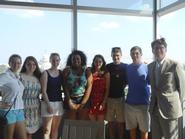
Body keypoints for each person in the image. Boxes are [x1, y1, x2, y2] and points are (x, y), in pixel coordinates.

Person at [148, 38, 185, 139]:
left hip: (169, 109)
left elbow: (182, 88)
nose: (158, 50)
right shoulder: (150, 66)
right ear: (152, 50)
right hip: (154, 108)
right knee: (156, 136)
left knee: (171, 137)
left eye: (161, 47)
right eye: (156, 48)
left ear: (166, 49)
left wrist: (175, 104)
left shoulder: (175, 65)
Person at [125, 46, 150, 139]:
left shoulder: (147, 68)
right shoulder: (127, 68)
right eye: (132, 53)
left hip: (143, 104)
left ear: (141, 54)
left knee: (144, 131)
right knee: (132, 130)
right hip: (129, 104)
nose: (134, 55)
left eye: (137, 53)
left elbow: (152, 83)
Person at [0, 54, 27, 139]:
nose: (16, 65)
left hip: (19, 111)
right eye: (13, 62)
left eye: (18, 63)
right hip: (9, 111)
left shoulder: (18, 77)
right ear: (9, 63)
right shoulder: (5, 76)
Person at [63, 50, 93, 120]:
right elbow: (65, 87)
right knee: (71, 123)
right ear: (71, 60)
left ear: (81, 60)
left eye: (78, 59)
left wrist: (83, 103)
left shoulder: (87, 71)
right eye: (73, 59)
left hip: (83, 99)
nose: (76, 60)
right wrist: (69, 102)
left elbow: (89, 88)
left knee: (82, 123)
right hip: (70, 99)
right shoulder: (67, 71)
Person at [40, 53, 64, 139]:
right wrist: (48, 105)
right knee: (46, 130)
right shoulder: (45, 73)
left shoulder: (61, 73)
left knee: (55, 129)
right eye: (53, 60)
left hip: (58, 103)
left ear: (59, 61)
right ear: (50, 60)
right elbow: (43, 91)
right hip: (47, 103)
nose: (55, 62)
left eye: (57, 60)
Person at [106, 47, 127, 139]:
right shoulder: (107, 67)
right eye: (114, 55)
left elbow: (127, 81)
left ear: (121, 55)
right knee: (110, 123)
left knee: (120, 123)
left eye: (117, 55)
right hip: (109, 99)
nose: (116, 57)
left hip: (121, 99)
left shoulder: (125, 67)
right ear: (111, 55)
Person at [20, 56, 42, 139]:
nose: (31, 66)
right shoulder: (20, 76)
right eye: (29, 64)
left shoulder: (38, 77)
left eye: (34, 64)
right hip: (22, 107)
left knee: (30, 133)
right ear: (25, 65)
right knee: (22, 132)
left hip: (35, 108)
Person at [88, 54, 110, 122]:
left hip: (101, 101)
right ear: (93, 62)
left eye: (100, 61)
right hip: (91, 101)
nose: (98, 63)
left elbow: (107, 89)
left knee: (100, 125)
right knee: (93, 125)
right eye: (96, 61)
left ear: (103, 63)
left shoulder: (106, 73)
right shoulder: (90, 71)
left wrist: (104, 102)